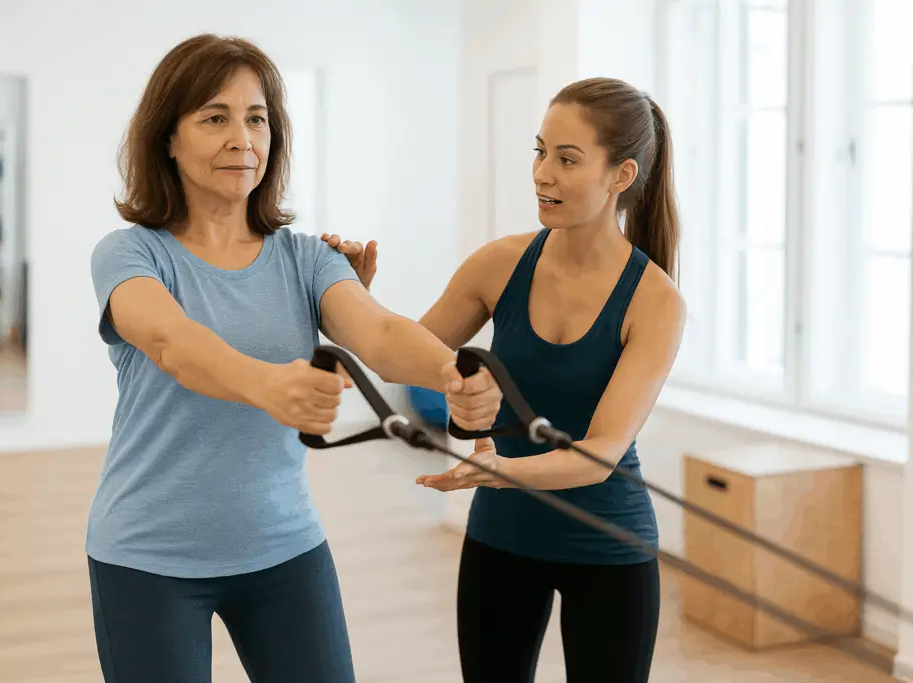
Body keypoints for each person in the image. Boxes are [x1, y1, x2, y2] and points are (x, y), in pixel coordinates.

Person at [86, 34, 502, 683]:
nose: (241, 137)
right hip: (148, 555)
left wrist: (455, 374)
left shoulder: (309, 257)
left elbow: (383, 334)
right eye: (214, 117)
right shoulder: (131, 253)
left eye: (256, 118)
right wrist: (267, 385)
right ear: (168, 137)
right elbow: (171, 342)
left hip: (283, 548)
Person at [323, 76, 686, 682]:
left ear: (621, 176)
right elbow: (398, 357)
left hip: (608, 546)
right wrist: (353, 297)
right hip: (503, 539)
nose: (543, 174)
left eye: (567, 159)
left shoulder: (655, 301)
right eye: (540, 151)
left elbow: (598, 455)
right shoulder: (501, 263)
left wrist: (497, 471)